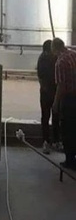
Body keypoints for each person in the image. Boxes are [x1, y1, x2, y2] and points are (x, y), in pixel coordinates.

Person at [52, 38, 76, 169]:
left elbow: (61, 86)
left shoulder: (60, 62)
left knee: (67, 129)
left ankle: (70, 160)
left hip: (68, 99)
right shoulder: (73, 54)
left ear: (54, 49)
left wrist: (56, 103)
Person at [37, 40, 59, 154]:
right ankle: (49, 141)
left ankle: (53, 141)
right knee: (49, 117)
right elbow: (41, 77)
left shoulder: (51, 58)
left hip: (51, 92)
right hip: (49, 92)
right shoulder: (45, 59)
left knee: (53, 117)